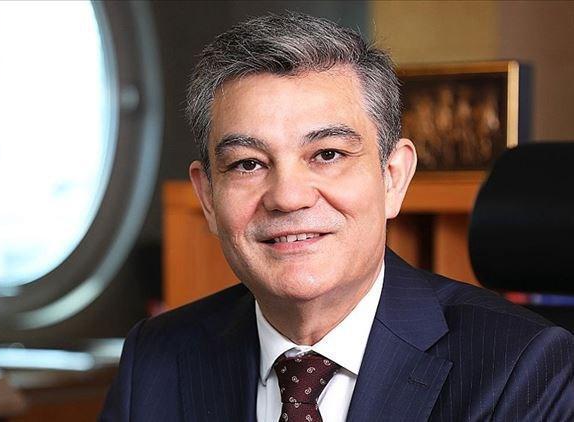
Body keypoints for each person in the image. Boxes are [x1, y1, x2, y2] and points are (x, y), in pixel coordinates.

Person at [100, 12, 573, 422]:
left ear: (393, 178)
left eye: (327, 154)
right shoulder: (157, 357)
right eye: (247, 164)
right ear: (207, 196)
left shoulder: (522, 366)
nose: (288, 197)